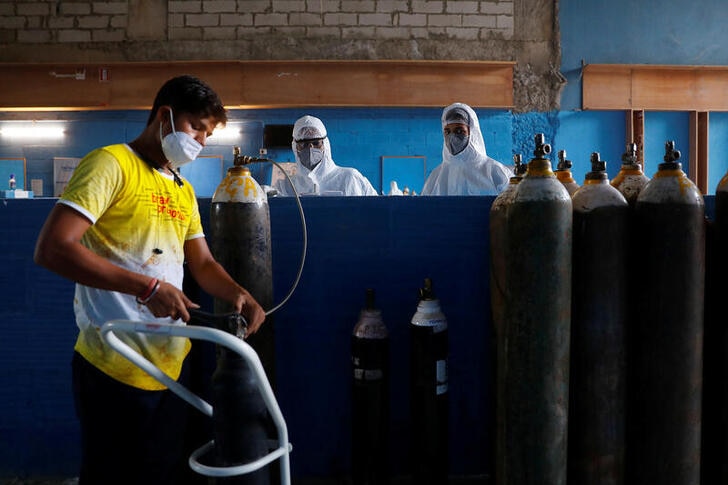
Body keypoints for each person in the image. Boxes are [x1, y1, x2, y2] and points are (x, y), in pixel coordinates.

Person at [33, 75, 266, 485]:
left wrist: (238, 293)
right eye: (196, 126)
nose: (200, 140)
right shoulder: (110, 164)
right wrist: (148, 288)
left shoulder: (182, 190)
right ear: (164, 115)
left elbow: (203, 263)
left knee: (161, 472)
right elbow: (53, 248)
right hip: (113, 363)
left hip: (169, 366)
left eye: (207, 134)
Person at [273, 114, 378, 196]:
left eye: (316, 143)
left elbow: (377, 209)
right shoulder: (285, 186)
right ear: (295, 147)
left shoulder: (350, 178)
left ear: (325, 145)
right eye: (304, 144)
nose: (310, 148)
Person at [421, 102, 512, 196]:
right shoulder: (436, 177)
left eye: (459, 131)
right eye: (447, 131)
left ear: (472, 133)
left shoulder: (495, 172)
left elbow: (517, 205)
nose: (452, 137)